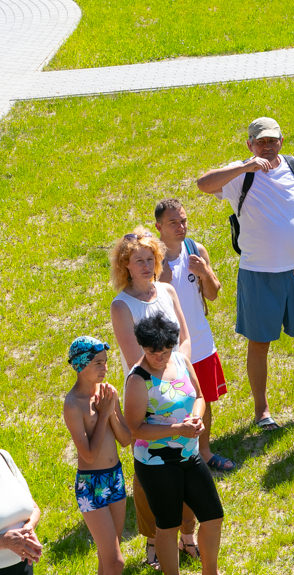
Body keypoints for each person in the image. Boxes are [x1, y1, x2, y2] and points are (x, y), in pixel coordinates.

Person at [197, 117, 294, 430]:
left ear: (281, 141)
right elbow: (203, 184)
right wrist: (245, 168)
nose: (267, 146)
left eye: (272, 140)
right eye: (260, 141)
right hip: (257, 274)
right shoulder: (238, 173)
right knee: (259, 344)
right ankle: (262, 410)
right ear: (250, 145)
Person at [109, 229, 197, 569]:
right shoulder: (122, 305)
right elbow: (134, 359)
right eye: (139, 260)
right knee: (151, 470)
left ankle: (187, 534)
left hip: (181, 383)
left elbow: (185, 338)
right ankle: (153, 540)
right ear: (126, 266)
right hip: (146, 392)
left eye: (151, 259)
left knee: (188, 460)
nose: (147, 265)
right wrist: (163, 384)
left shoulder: (168, 290)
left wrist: (181, 373)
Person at [124, 313, 224, 575]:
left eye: (166, 350)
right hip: (156, 463)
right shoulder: (137, 380)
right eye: (153, 352)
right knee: (168, 526)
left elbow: (200, 397)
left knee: (213, 516)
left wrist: (197, 418)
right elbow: (135, 429)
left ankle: (210, 572)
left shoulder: (181, 360)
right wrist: (177, 429)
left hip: (189, 455)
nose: (160, 357)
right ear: (143, 347)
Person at [155, 198, 234, 472]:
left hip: (200, 342)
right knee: (172, 403)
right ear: (159, 227)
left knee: (204, 400)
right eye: (173, 222)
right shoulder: (152, 259)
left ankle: (204, 452)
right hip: (169, 348)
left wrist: (204, 272)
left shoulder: (195, 250)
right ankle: (174, 457)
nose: (181, 227)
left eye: (184, 221)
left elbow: (212, 294)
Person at [63, 336, 132, 575]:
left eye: (105, 362)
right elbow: (89, 456)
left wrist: (111, 411)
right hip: (91, 485)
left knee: (107, 560)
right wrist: (103, 415)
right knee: (116, 563)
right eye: (98, 364)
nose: (105, 368)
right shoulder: (73, 404)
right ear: (81, 366)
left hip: (115, 477)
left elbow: (125, 440)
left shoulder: (108, 393)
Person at [0, 450, 41, 575]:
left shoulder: (4, 457)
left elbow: (34, 508)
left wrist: (28, 529)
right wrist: (4, 541)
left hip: (23, 565)